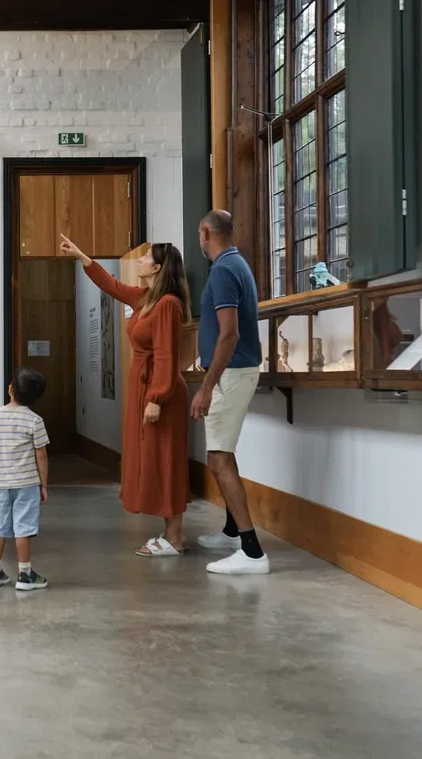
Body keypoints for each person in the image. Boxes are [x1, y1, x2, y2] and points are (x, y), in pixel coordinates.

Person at [62, 236, 191, 556]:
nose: (140, 260)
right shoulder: (145, 298)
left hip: (161, 392)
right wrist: (82, 256)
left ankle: (174, 537)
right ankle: (169, 533)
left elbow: (166, 355)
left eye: (146, 258)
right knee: (154, 459)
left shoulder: (168, 304)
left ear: (158, 268)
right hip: (145, 388)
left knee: (166, 459)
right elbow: (112, 286)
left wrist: (157, 398)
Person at [191, 211, 269, 574]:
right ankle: (233, 531)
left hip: (231, 373)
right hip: (233, 370)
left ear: (206, 232)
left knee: (219, 459)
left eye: (200, 235)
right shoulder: (235, 264)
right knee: (221, 454)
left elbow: (230, 333)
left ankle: (252, 551)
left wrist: (206, 388)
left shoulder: (223, 270)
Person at [0, 367, 50, 592]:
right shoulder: (35, 420)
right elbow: (41, 455)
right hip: (27, 484)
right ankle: (25, 574)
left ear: (10, 389)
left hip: (2, 484)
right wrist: (43, 484)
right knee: (23, 528)